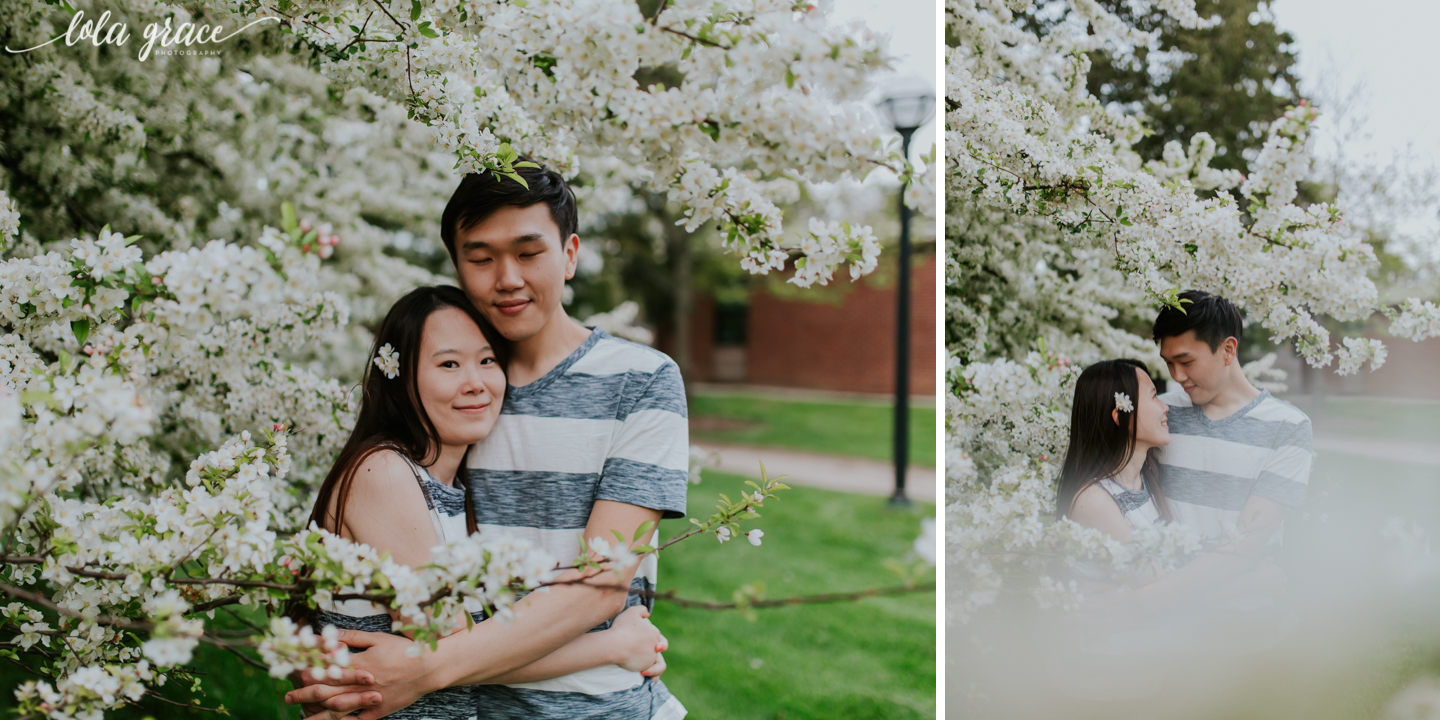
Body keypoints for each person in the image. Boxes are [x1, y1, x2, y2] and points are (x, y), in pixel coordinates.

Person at [288, 164, 691, 720]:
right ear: (458, 266)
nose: (506, 278)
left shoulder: (641, 379)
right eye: (481, 258)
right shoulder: (453, 404)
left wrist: (423, 668)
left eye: (529, 253)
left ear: (569, 254)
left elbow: (600, 585)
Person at [1055, 358, 1173, 541]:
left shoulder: (1149, 476)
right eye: (1154, 396)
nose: (1165, 407)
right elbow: (1153, 570)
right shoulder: (1094, 501)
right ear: (1121, 417)